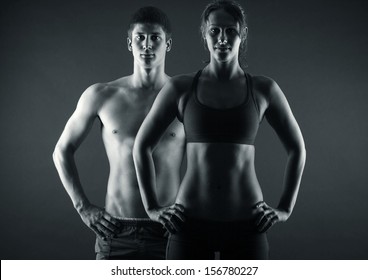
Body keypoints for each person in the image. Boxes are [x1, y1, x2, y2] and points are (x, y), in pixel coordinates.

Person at [133, 0, 306, 260]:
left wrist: (285, 208)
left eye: (230, 31)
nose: (222, 38)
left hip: (247, 226)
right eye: (215, 31)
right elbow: (141, 146)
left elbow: (297, 149)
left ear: (242, 34)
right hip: (189, 225)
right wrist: (152, 207)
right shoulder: (180, 88)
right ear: (204, 34)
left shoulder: (263, 89)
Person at [53, 6, 185, 260]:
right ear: (129, 43)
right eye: (140, 38)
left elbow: (206, 159)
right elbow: (62, 151)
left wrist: (191, 211)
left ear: (168, 44)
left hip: (170, 232)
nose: (147, 45)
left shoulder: (184, 98)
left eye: (155, 38)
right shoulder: (102, 95)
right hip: (116, 231)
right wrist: (83, 207)